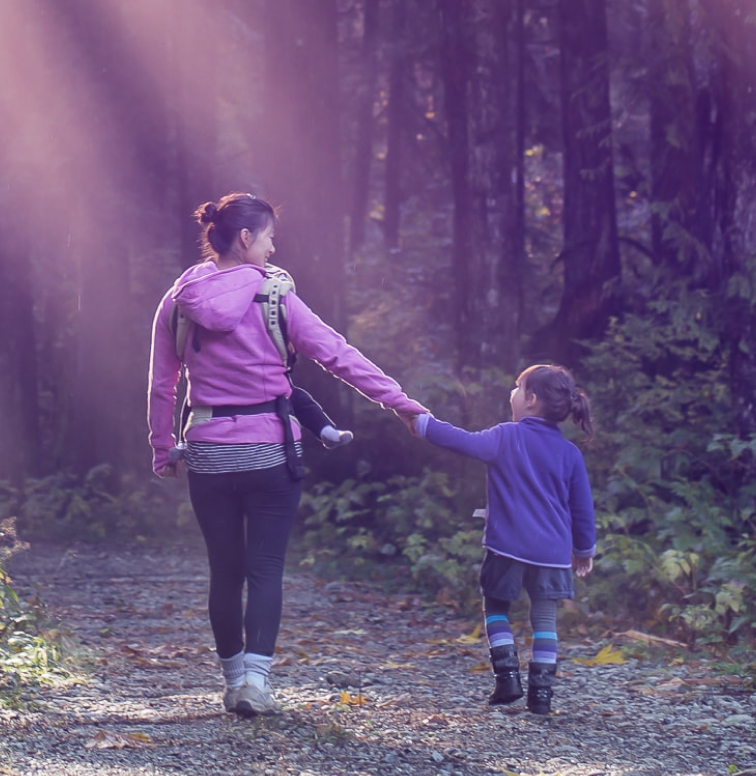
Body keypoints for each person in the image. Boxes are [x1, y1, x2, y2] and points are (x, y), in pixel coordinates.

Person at [148, 192, 427, 717]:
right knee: (266, 568)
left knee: (223, 570)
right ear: (247, 238)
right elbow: (338, 355)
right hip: (272, 451)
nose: (274, 249)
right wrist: (401, 404)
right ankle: (257, 682)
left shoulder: (178, 298)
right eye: (270, 237)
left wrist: (164, 446)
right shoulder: (275, 296)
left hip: (208, 450)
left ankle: (232, 684)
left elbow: (163, 384)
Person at [411, 364, 596, 715]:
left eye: (517, 387)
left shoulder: (505, 436)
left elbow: (461, 440)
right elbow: (582, 508)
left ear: (530, 399)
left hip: (507, 545)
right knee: (545, 620)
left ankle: (507, 677)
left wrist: (422, 423)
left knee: (496, 607)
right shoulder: (570, 453)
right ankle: (541, 696)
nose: (511, 393)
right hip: (553, 553)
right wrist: (584, 550)